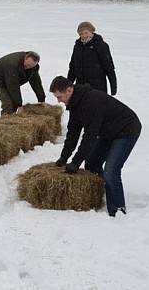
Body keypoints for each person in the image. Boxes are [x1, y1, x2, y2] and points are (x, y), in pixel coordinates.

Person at [50, 76, 141, 217]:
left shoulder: (92, 101)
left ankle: (117, 209)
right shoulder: (74, 103)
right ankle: (101, 192)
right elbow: (73, 133)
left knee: (111, 170)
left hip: (126, 130)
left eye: (59, 96)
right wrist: (64, 156)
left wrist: (75, 162)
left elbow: (89, 136)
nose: (58, 101)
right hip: (108, 131)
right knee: (92, 163)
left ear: (69, 90)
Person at [0, 51, 47, 116]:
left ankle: (13, 117)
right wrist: (19, 105)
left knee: (14, 100)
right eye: (27, 65)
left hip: (10, 78)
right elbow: (13, 86)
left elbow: (36, 83)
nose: (28, 67)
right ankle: (5, 122)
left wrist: (41, 100)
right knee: (8, 103)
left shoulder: (33, 67)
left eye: (31, 66)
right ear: (25, 58)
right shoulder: (12, 64)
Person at [67, 21, 117, 95]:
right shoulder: (77, 47)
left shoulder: (101, 45)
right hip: (80, 87)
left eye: (86, 32)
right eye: (81, 34)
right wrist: (68, 85)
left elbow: (109, 67)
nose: (84, 35)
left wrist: (113, 87)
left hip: (97, 88)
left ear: (91, 32)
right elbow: (73, 67)